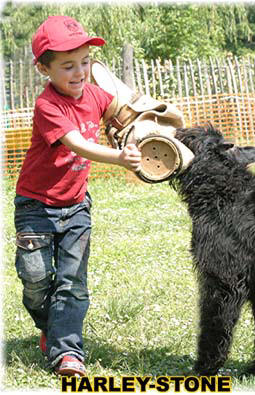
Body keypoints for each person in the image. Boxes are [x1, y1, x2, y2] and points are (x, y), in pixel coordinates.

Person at [14, 15, 141, 377]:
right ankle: (49, 325)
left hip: (75, 208)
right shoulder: (47, 106)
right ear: (44, 68)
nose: (79, 72)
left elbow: (123, 114)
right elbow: (77, 144)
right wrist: (119, 158)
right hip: (35, 207)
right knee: (36, 280)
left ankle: (67, 353)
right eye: (68, 66)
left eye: (85, 62)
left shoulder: (96, 94)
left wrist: (137, 127)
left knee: (72, 283)